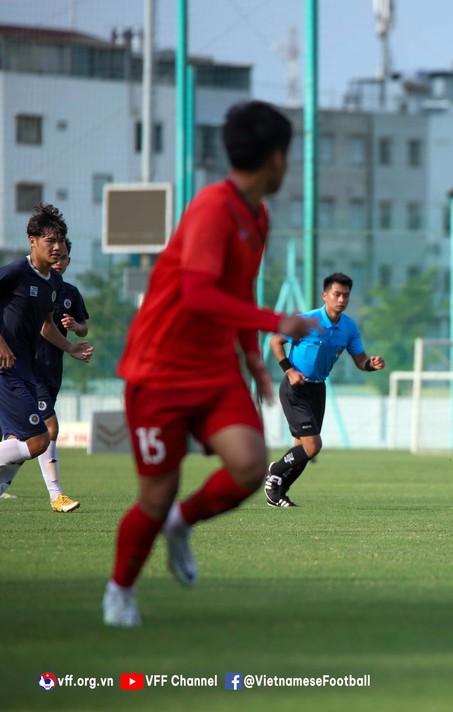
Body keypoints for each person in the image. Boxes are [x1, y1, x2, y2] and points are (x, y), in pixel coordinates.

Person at [103, 101, 318, 627]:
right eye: (289, 155)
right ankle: (120, 591)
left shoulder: (257, 216)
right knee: (156, 492)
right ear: (276, 158)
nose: (289, 165)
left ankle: (180, 525)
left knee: (248, 465)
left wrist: (253, 359)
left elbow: (235, 289)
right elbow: (199, 294)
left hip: (214, 367)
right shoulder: (211, 208)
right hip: (158, 369)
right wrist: (273, 322)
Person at [265, 272, 384, 507]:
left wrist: (371, 364)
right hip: (294, 388)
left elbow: (360, 361)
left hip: (317, 391)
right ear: (325, 295)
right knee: (313, 446)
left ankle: (278, 492)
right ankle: (275, 471)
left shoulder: (349, 327)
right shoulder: (306, 320)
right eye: (337, 294)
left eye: (346, 296)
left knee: (304, 450)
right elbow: (275, 342)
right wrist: (290, 371)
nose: (342, 300)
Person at [0, 205, 93, 502]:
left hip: (26, 369)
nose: (57, 248)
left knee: (23, 439)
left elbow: (46, 326)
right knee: (40, 438)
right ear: (32, 241)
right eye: (50, 241)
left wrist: (71, 348)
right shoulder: (15, 272)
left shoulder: (54, 283)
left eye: (61, 242)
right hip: (6, 367)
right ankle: (56, 495)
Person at [33, 239, 89, 512]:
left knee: (19, 439)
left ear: (68, 261)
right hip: (27, 368)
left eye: (64, 257)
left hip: (52, 369)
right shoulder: (34, 286)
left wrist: (75, 325)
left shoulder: (70, 292)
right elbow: (43, 328)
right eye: (55, 256)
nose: (58, 261)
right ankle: (57, 496)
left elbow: (84, 328)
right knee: (50, 429)